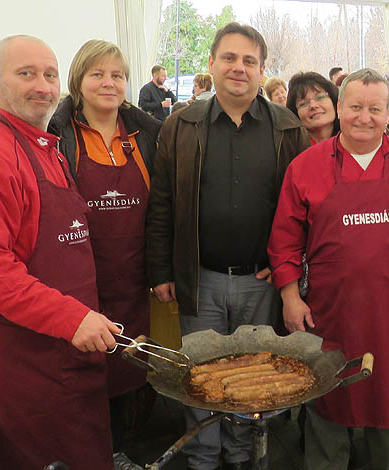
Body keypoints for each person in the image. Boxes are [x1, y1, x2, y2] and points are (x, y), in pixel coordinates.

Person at [0, 35, 119, 470]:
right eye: (27, 74)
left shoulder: (48, 150)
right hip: (30, 362)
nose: (42, 85)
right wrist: (72, 318)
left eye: (50, 74)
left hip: (74, 355)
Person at [145, 22, 309, 470]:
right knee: (202, 377)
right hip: (200, 280)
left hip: (263, 280)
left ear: (262, 71)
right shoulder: (181, 125)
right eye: (230, 58)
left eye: (249, 61)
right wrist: (161, 271)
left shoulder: (288, 129)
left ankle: (243, 457)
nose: (239, 68)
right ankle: (203, 457)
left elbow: (304, 209)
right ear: (212, 64)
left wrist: (290, 268)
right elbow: (162, 202)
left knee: (253, 375)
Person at [268, 67, 389, 470]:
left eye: (374, 109)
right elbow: (284, 240)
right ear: (339, 108)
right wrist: (291, 297)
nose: (364, 117)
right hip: (329, 310)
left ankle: (388, 460)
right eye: (355, 107)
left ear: (388, 113)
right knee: (328, 394)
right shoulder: (306, 166)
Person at [46, 39, 161, 469]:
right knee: (84, 373)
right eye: (97, 74)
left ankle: (120, 451)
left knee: (130, 367)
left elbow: (162, 207)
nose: (108, 83)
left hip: (134, 279)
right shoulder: (59, 138)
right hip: (79, 282)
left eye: (117, 75)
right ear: (78, 82)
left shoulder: (147, 136)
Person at [286, 71, 340, 145]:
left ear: (334, 102)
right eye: (303, 104)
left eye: (320, 97)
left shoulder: (353, 140)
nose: (313, 106)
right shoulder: (291, 149)